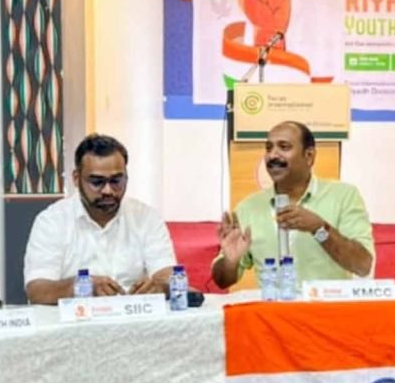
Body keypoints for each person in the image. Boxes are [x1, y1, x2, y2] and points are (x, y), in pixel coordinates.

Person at [211, 121, 373, 287]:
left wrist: (320, 229)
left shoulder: (343, 196)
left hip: (326, 304)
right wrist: (230, 262)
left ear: (309, 156)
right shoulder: (248, 208)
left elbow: (363, 266)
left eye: (284, 147)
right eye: (268, 148)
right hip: (272, 305)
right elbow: (222, 281)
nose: (272, 155)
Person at [24, 134, 176, 304]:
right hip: (75, 318)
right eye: (97, 182)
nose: (108, 191)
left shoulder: (146, 217)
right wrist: (81, 286)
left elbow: (167, 275)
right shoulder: (52, 221)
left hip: (135, 317)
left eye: (116, 181)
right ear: (76, 178)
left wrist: (160, 287)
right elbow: (37, 290)